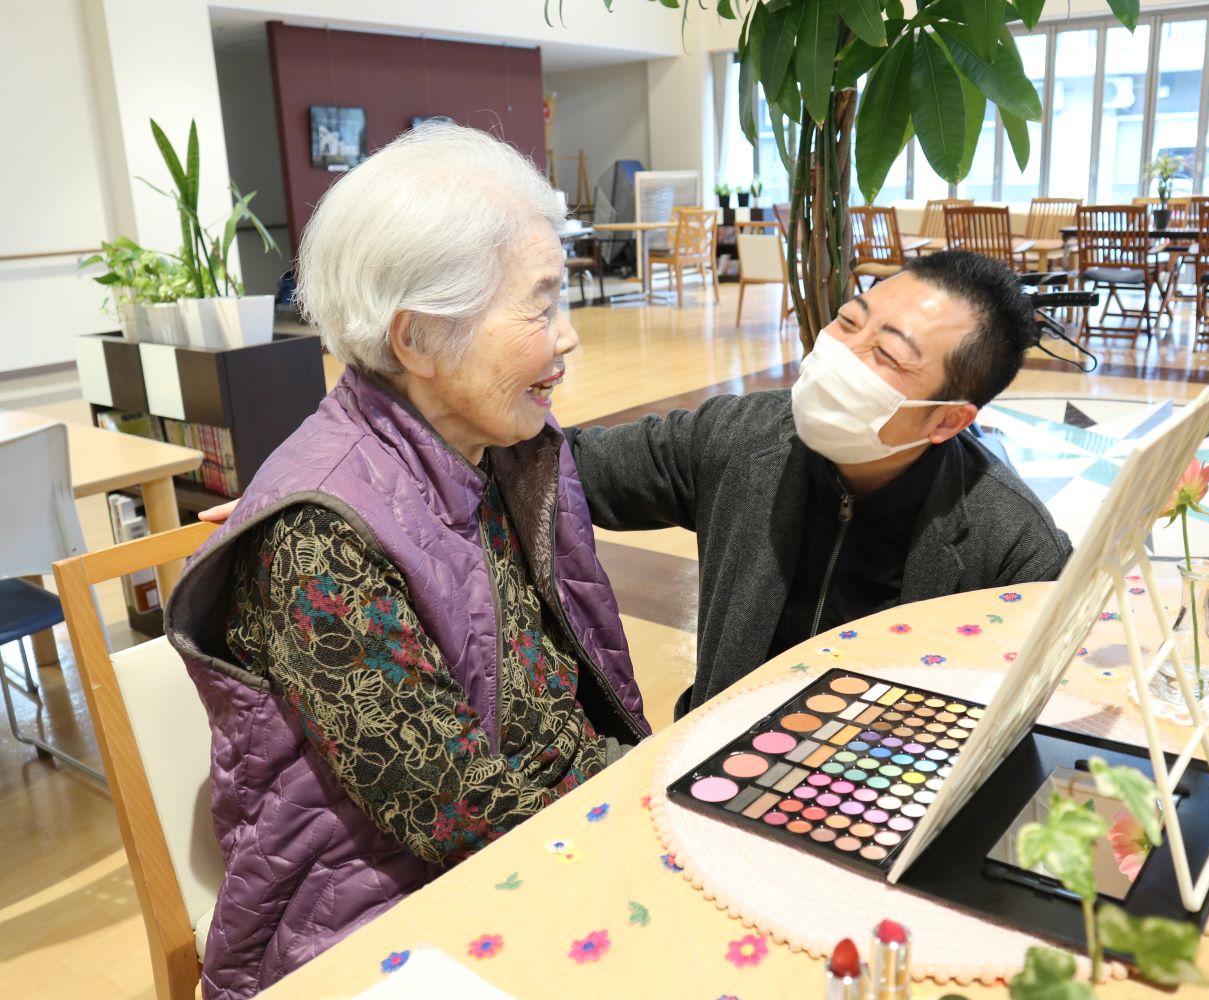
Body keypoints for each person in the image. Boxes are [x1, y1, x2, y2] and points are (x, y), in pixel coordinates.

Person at [167, 124, 648, 1000]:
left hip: (538, 837)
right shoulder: (318, 537)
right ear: (419, 338)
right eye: (541, 307)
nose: (568, 338)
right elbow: (456, 812)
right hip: (374, 917)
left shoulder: (492, 442)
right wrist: (638, 834)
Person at [566, 251, 1072, 718]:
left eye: (887, 354)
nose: (842, 354)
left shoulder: (1014, 549)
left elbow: (1029, 726)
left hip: (882, 789)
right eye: (848, 322)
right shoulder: (739, 435)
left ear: (946, 421)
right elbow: (570, 469)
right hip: (716, 755)